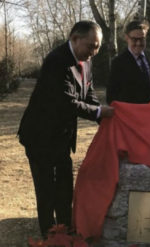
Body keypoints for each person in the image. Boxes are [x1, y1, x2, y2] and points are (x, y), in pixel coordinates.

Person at [17, 20, 114, 237]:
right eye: (91, 46)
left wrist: (104, 118)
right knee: (46, 191)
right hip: (40, 137)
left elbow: (88, 94)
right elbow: (66, 101)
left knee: (64, 189)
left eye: (97, 47)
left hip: (61, 138)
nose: (94, 52)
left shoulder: (85, 60)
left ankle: (65, 231)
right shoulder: (56, 61)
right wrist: (99, 113)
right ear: (75, 39)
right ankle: (50, 236)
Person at [106, 19, 150, 104]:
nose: (138, 43)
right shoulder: (118, 63)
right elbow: (111, 97)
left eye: (142, 39)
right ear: (127, 38)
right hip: (130, 114)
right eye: (134, 39)